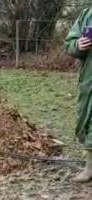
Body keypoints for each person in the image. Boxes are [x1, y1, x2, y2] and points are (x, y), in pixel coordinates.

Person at [65, 8, 92, 182]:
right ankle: (90, 167)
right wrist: (78, 45)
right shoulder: (87, 13)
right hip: (89, 79)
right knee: (87, 119)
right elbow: (70, 43)